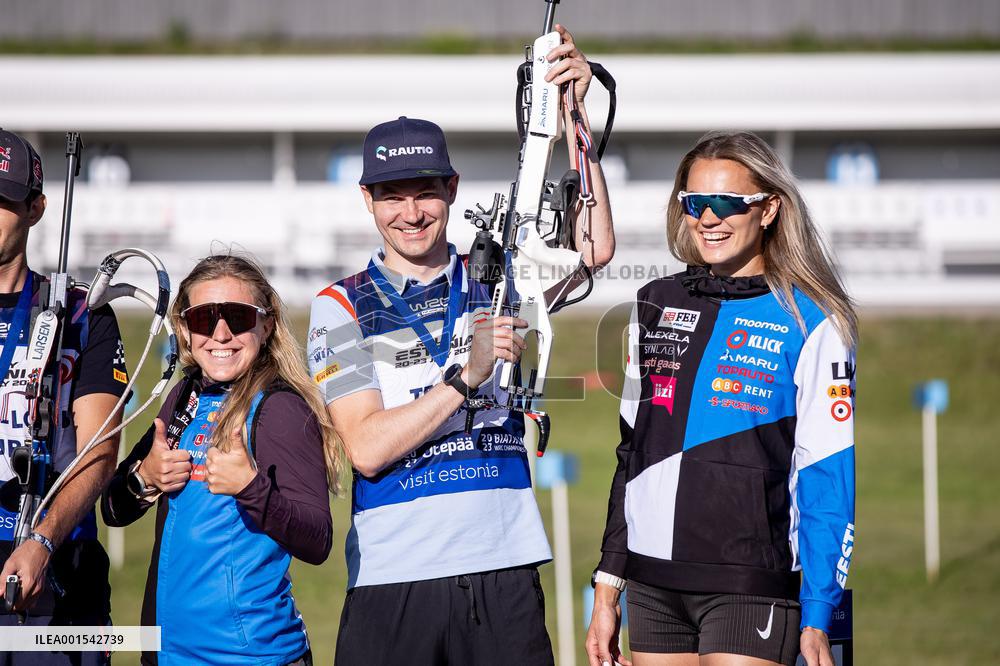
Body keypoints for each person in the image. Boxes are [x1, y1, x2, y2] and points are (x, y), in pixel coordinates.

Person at [308, 25, 615, 665]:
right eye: (392, 196)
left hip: (503, 569)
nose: (412, 212)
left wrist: (576, 118)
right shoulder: (339, 304)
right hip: (394, 577)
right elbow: (365, 449)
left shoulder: (502, 273)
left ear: (452, 189)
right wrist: (464, 378)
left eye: (426, 192)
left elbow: (593, 250)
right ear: (368, 200)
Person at [586, 131, 857, 666]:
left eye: (728, 202)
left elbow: (829, 475)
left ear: (770, 208)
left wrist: (819, 613)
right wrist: (608, 583)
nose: (709, 217)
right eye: (695, 203)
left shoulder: (815, 319)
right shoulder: (654, 303)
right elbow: (631, 457)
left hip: (750, 580)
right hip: (651, 580)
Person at [102, 255, 342, 666]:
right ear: (183, 328)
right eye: (203, 319)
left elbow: (317, 539)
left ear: (265, 325)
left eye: (237, 316)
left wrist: (251, 488)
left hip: (249, 656)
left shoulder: (280, 408)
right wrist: (145, 478)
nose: (221, 334)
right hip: (167, 653)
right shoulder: (183, 397)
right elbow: (112, 510)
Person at [0, 129, 129, 665]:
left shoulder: (81, 316)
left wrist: (43, 540)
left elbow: (100, 451)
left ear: (35, 209)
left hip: (57, 568)